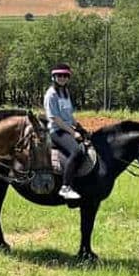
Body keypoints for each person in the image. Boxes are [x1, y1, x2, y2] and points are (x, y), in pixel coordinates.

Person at [43, 63, 85, 200]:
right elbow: (55, 119)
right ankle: (65, 187)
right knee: (76, 151)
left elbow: (69, 115)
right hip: (57, 131)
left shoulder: (65, 93)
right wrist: (73, 133)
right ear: (54, 77)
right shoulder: (51, 94)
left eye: (65, 75)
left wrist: (79, 127)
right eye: (59, 75)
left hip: (67, 129)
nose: (62, 78)